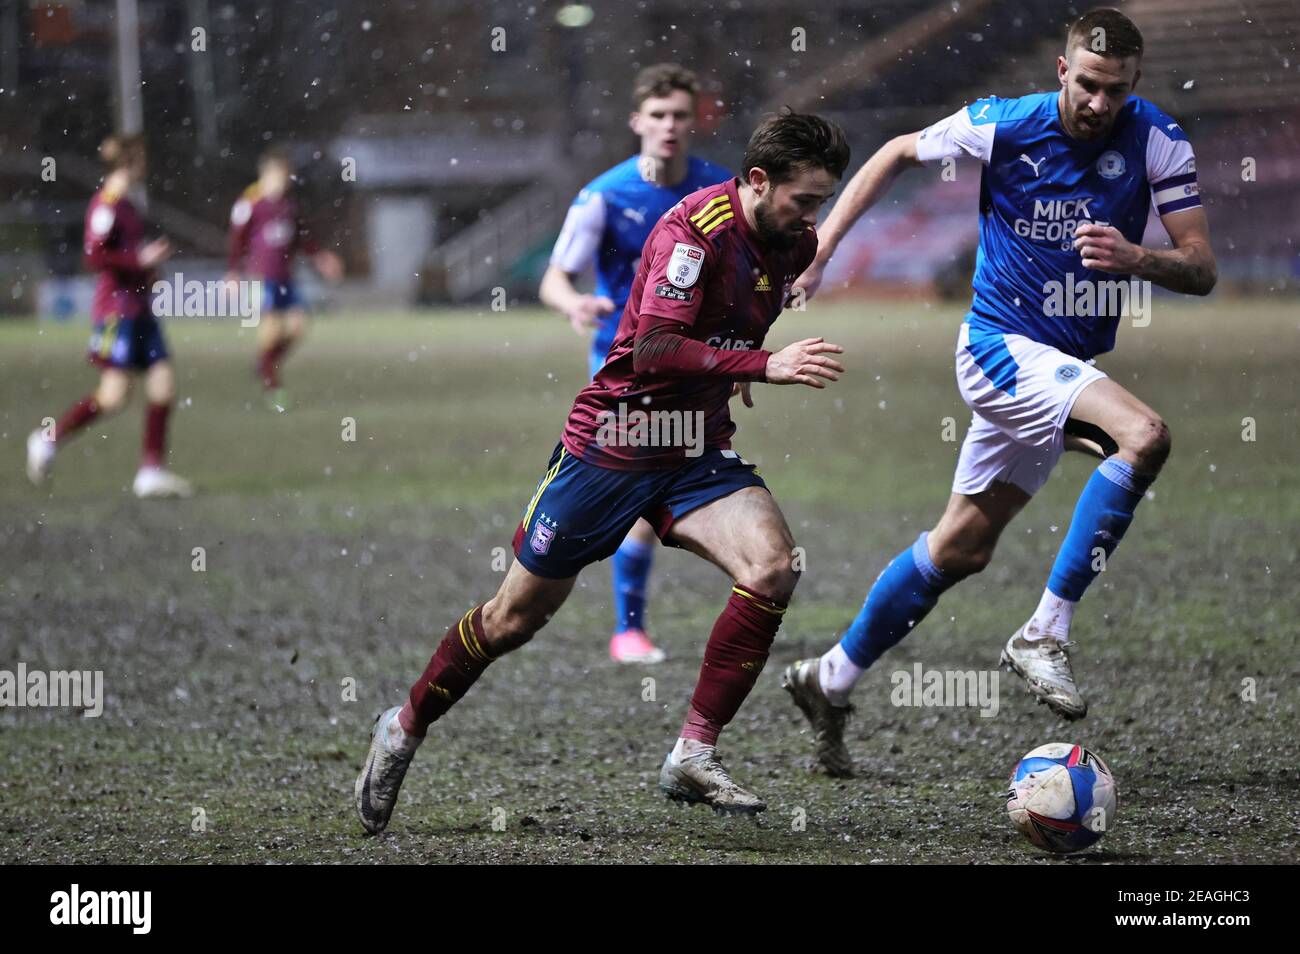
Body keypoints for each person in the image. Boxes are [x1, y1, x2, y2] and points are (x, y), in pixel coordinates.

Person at [356, 110, 851, 832]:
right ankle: (403, 726)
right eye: (804, 199)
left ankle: (692, 753)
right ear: (756, 181)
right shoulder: (694, 233)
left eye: (822, 201)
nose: (815, 218)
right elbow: (652, 346)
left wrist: (739, 362)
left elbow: (737, 320)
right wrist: (762, 365)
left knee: (773, 568)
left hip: (694, 448)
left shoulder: (792, 242)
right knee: (511, 620)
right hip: (614, 443)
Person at [782, 7, 1217, 777]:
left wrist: (1136, 258)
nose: (1098, 103)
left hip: (1061, 364)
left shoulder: (1156, 140)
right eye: (1086, 85)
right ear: (1061, 71)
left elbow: (1201, 267)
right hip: (998, 350)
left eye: (1115, 90)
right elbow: (894, 150)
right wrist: (819, 253)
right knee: (1143, 435)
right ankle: (1045, 632)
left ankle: (831, 677)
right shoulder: (1004, 125)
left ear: (1135, 84)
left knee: (962, 547)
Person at [539, 63, 731, 664]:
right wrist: (575, 303)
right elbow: (555, 276)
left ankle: (639, 623)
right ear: (637, 122)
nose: (669, 126)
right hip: (623, 370)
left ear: (694, 120)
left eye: (679, 115)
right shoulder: (605, 194)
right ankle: (626, 627)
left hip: (699, 370)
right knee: (637, 490)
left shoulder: (719, 191)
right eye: (658, 115)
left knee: (667, 486)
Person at [27, 133, 193, 498]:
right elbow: (94, 256)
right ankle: (48, 439)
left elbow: (129, 257)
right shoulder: (107, 204)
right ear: (129, 162)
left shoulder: (129, 207)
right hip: (117, 314)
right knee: (114, 396)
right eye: (142, 159)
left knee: (164, 385)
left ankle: (151, 472)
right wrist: (139, 260)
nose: (146, 166)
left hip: (141, 311)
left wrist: (149, 272)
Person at [226, 147, 343, 409]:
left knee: (298, 327)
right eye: (281, 176)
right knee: (272, 329)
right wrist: (233, 272)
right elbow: (236, 240)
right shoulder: (249, 203)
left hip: (285, 278)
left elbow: (302, 238)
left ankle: (264, 363)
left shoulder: (289, 205)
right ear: (267, 174)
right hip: (259, 277)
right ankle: (273, 387)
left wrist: (321, 257)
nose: (285, 182)